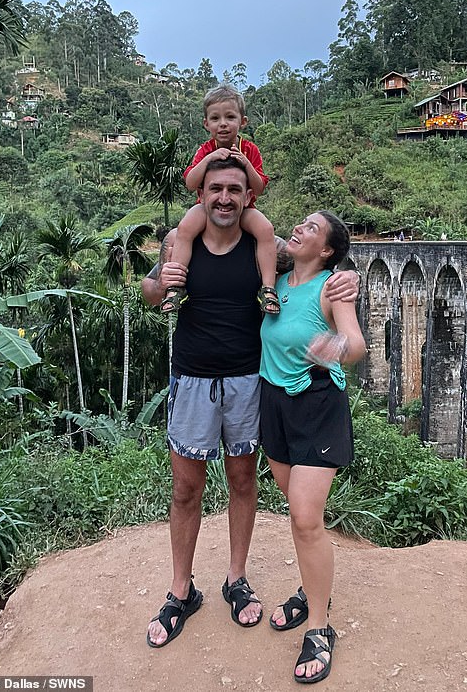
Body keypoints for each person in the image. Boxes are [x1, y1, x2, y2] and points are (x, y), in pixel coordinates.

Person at [140, 156, 360, 649]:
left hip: (246, 382)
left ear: (247, 197)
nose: (224, 198)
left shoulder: (271, 254)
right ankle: (181, 591)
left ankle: (236, 579)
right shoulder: (183, 241)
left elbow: (319, 270)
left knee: (243, 481)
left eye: (233, 191)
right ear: (203, 193)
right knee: (185, 490)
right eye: (215, 188)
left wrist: (350, 278)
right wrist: (160, 284)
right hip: (193, 380)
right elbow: (150, 290)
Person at [259, 211, 366, 684]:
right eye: (300, 223)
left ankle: (320, 629)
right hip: (273, 403)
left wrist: (332, 346)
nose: (300, 229)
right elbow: (259, 231)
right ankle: (312, 590)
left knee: (305, 518)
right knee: (298, 513)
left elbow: (357, 343)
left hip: (318, 403)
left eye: (312, 229)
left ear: (326, 251)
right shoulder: (277, 277)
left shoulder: (331, 286)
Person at [161, 84, 279, 316]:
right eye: (215, 118)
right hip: (206, 209)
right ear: (206, 124)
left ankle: (268, 288)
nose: (223, 123)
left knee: (266, 229)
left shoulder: (250, 149)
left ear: (242, 122)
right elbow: (190, 182)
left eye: (230, 117)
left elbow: (260, 188)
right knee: (184, 228)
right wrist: (208, 160)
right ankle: (176, 285)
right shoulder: (205, 150)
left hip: (244, 208)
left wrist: (245, 163)